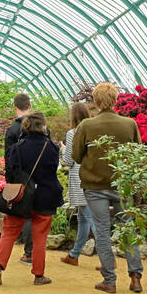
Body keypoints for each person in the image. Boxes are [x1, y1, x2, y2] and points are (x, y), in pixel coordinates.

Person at [71, 82, 145, 293]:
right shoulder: (130, 124)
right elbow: (138, 154)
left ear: (95, 101)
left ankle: (110, 281)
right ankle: (135, 276)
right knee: (127, 228)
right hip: (122, 185)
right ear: (115, 99)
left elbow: (76, 156)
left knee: (102, 231)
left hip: (95, 187)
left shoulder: (87, 126)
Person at [0, 111, 63, 286]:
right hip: (45, 196)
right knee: (40, 237)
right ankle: (39, 275)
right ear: (43, 126)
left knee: (9, 232)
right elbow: (53, 171)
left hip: (21, 196)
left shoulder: (17, 147)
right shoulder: (51, 147)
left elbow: (11, 173)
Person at [2, 93, 36, 266]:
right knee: (34, 215)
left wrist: (9, 179)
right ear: (29, 106)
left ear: (15, 107)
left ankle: (3, 261)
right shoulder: (40, 128)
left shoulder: (12, 130)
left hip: (18, 177)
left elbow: (8, 157)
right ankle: (32, 253)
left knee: (20, 215)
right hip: (36, 176)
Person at [60, 102, 95, 267]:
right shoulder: (94, 130)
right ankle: (74, 255)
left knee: (91, 218)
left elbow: (69, 160)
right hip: (93, 176)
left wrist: (63, 149)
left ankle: (106, 259)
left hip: (80, 179)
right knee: (83, 218)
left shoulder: (72, 133)